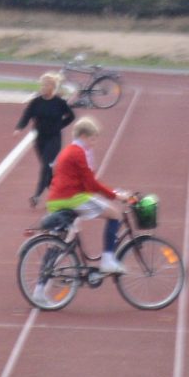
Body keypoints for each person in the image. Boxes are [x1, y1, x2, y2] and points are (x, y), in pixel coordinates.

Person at [45, 117, 137, 275]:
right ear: (83, 136)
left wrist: (108, 193)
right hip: (71, 198)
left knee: (60, 242)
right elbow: (92, 184)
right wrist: (115, 196)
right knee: (114, 214)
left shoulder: (68, 151)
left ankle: (40, 288)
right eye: (93, 138)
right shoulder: (78, 153)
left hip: (56, 199)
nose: (95, 142)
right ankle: (107, 260)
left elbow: (85, 183)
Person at [17, 72, 78, 207]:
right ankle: (60, 194)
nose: (42, 87)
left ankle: (37, 195)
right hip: (40, 139)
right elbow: (27, 115)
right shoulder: (36, 102)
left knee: (45, 165)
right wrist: (19, 127)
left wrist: (60, 126)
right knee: (48, 170)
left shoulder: (59, 103)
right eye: (42, 85)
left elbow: (71, 116)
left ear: (52, 87)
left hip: (54, 139)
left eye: (45, 85)